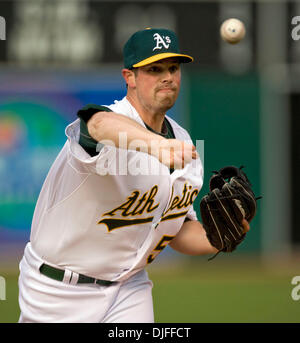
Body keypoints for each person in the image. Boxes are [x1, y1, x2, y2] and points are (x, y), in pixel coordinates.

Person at [18, 28, 249, 323]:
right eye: (154, 69)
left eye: (173, 68)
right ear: (130, 77)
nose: (167, 76)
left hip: (129, 289)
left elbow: (175, 229)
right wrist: (154, 144)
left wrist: (220, 238)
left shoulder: (184, 143)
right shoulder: (109, 122)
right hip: (57, 290)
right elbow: (97, 125)